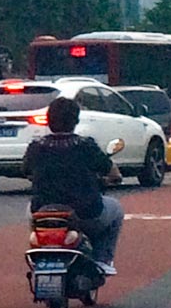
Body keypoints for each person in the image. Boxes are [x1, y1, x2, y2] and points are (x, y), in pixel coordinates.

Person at [22, 96, 123, 275]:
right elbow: (111, 171)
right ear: (75, 121)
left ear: (49, 120)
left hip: (43, 212)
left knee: (30, 207)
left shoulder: (36, 147)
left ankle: (42, 250)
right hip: (86, 213)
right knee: (116, 210)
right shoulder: (85, 145)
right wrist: (113, 178)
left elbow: (26, 171)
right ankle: (102, 259)